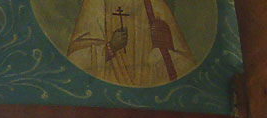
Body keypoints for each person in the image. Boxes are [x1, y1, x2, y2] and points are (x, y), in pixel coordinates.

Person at [65, 0, 196, 87]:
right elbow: (76, 61)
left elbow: (186, 66)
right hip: (108, 91)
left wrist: (164, 51)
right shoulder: (96, 3)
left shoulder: (154, 4)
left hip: (148, 92)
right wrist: (109, 49)